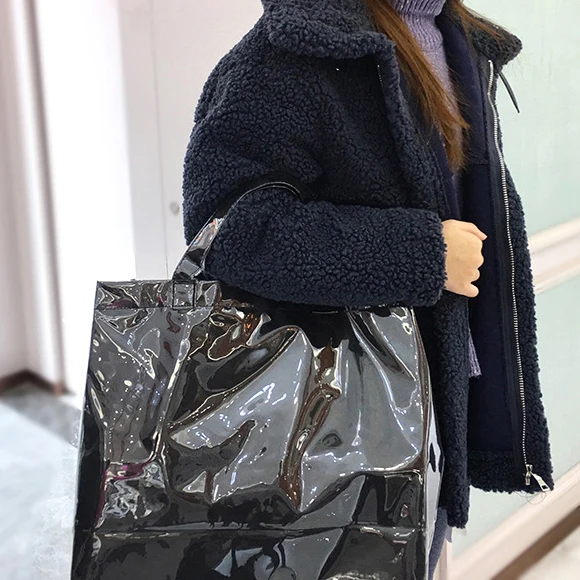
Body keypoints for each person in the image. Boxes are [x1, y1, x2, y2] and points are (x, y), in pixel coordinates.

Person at [182, 0, 554, 577]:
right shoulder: (290, 50)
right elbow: (230, 231)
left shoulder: (454, 37)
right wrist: (420, 254)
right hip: (334, 427)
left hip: (433, 405)